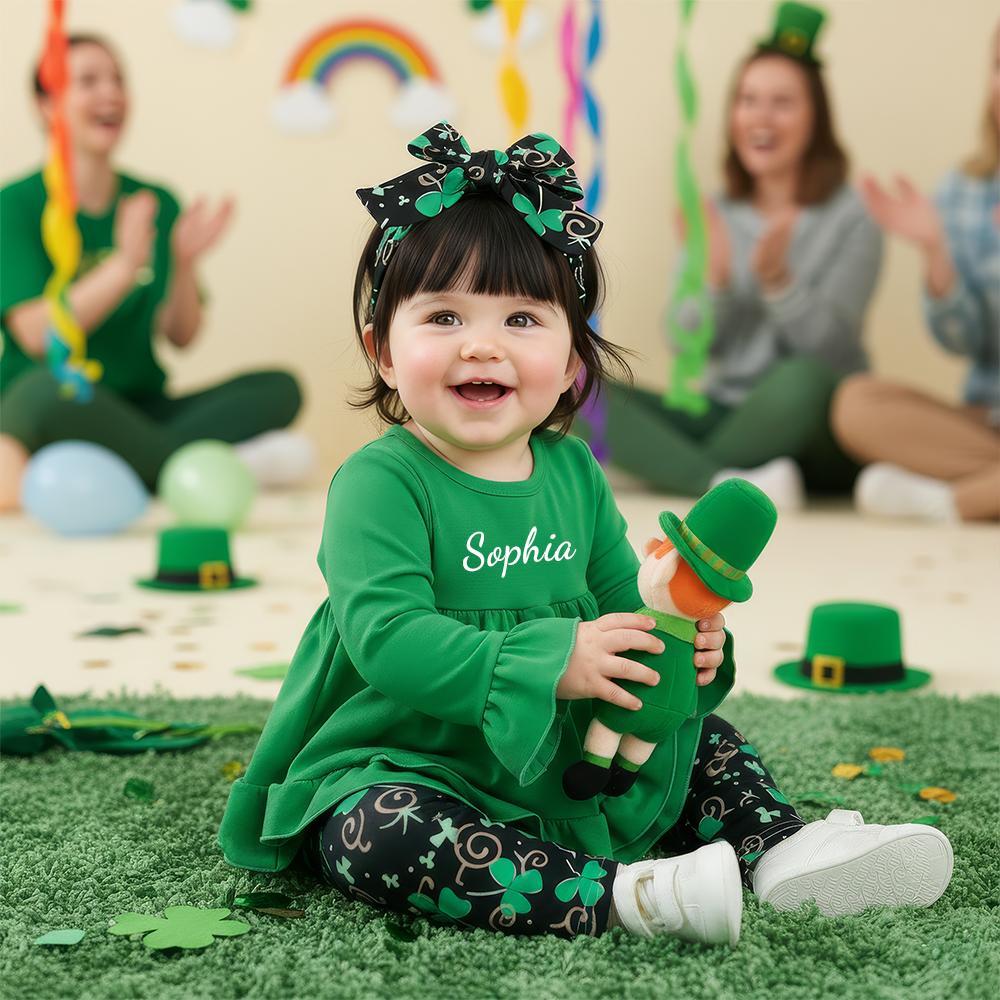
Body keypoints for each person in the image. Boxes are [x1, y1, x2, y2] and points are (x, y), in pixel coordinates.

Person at [216, 122, 953, 944]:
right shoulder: (378, 483)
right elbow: (388, 638)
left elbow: (626, 604)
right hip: (413, 753)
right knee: (374, 833)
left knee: (702, 738)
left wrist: (685, 639)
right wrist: (547, 660)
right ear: (383, 350)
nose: (483, 344)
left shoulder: (573, 473)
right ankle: (625, 896)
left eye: (524, 320)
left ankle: (783, 850)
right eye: (445, 317)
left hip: (566, 753)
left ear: (572, 361)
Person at [0, 34, 313, 511]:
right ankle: (189, 466)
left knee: (279, 388)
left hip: (140, 407)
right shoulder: (15, 205)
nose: (111, 94)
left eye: (118, 80)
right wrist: (124, 267)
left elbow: (181, 334)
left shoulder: (155, 202)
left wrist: (185, 264)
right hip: (58, 399)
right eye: (88, 81)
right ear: (47, 105)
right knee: (44, 394)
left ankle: (147, 461)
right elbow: (36, 335)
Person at [598, 2, 881, 510]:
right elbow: (684, 344)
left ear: (815, 117)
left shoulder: (854, 216)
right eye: (748, 100)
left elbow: (830, 350)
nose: (761, 117)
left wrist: (779, 282)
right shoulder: (713, 213)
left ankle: (668, 467)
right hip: (728, 413)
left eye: (782, 102)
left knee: (803, 378)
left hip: (816, 427)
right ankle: (714, 479)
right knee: (575, 388)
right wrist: (717, 280)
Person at [832, 29, 999, 523]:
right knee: (857, 403)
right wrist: (935, 252)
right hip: (985, 420)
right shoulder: (966, 192)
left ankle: (947, 501)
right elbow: (964, 341)